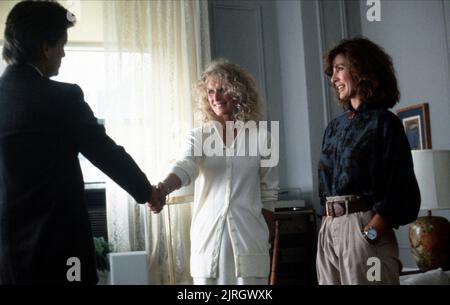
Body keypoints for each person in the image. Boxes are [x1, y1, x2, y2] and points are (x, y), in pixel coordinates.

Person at [0, 1, 161, 284]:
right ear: (45, 47)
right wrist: (147, 192)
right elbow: (106, 153)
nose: (63, 53)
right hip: (60, 253)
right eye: (61, 44)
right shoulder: (62, 98)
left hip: (7, 258)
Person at [153, 59, 279, 285]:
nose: (215, 97)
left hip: (251, 241)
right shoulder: (198, 136)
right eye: (210, 91)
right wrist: (163, 188)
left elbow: (269, 193)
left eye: (222, 90)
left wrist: (263, 239)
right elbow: (185, 166)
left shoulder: (264, 138)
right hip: (209, 241)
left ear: (238, 92)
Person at [316, 37, 421, 285]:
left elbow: (401, 188)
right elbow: (325, 186)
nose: (333, 79)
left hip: (363, 228)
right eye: (332, 72)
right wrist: (326, 229)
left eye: (340, 68)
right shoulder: (334, 127)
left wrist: (370, 233)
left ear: (362, 69)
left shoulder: (385, 123)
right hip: (329, 230)